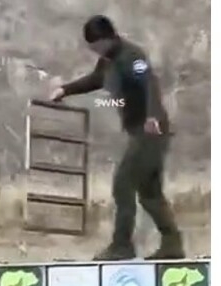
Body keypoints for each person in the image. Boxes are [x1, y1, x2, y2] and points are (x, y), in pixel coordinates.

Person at [49, 15, 184, 261]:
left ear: (108, 38)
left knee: (123, 183)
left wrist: (152, 115)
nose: (95, 51)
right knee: (149, 193)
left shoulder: (133, 56)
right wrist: (65, 90)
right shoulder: (108, 60)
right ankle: (172, 245)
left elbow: (149, 83)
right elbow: (95, 79)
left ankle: (122, 246)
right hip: (140, 132)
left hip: (150, 130)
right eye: (92, 48)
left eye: (96, 46)